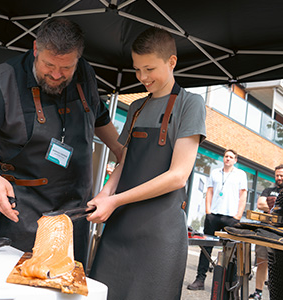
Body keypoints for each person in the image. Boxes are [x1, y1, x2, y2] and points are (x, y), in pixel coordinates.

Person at [0, 17, 122, 265]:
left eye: (66, 68)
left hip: (75, 217)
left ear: (78, 59)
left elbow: (104, 124)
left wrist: (118, 158)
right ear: (35, 49)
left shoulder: (85, 73)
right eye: (49, 64)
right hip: (23, 216)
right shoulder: (5, 79)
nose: (56, 74)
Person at [87, 27, 206, 300]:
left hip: (159, 235)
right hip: (120, 228)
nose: (142, 78)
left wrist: (116, 201)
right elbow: (124, 162)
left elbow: (178, 176)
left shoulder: (191, 104)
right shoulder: (136, 107)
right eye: (137, 69)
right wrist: (105, 194)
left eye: (149, 69)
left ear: (172, 62)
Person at [188, 149, 248, 290]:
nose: (227, 159)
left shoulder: (240, 175)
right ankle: (200, 279)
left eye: (231, 157)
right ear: (223, 158)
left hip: (231, 217)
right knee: (206, 248)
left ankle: (230, 284)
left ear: (235, 160)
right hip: (213, 215)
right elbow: (209, 191)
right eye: (226, 156)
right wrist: (208, 211)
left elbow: (243, 195)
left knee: (232, 251)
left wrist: (238, 215)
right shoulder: (215, 172)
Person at [248, 164, 283, 300]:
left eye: (282, 175)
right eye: (277, 175)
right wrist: (278, 206)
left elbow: (267, 206)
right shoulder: (269, 190)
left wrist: (272, 206)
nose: (279, 178)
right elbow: (260, 204)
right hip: (266, 231)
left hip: (280, 234)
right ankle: (258, 292)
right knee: (262, 261)